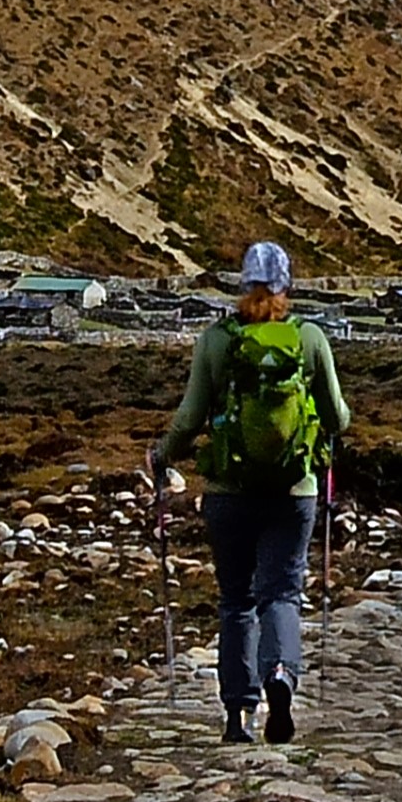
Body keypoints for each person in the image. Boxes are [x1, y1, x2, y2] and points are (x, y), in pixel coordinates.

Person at [152, 239, 351, 744]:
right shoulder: (308, 338)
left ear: (242, 283)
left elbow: (190, 417)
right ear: (288, 286)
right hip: (294, 491)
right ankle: (281, 675)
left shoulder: (217, 340)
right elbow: (338, 418)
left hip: (228, 492)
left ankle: (238, 715)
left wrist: (160, 456)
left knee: (236, 600)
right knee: (282, 592)